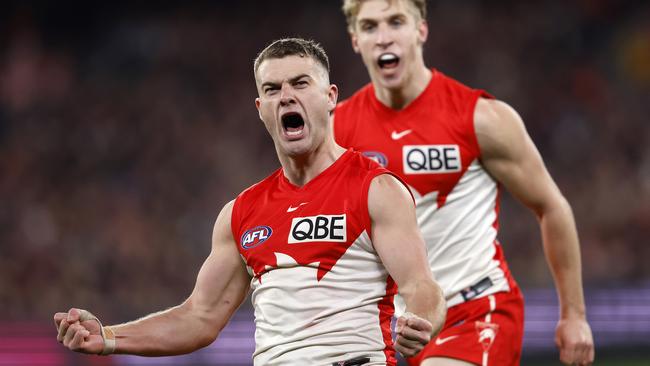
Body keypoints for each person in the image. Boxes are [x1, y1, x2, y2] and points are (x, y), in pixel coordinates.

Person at [53, 38, 446, 366]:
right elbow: (199, 317)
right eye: (272, 90)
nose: (286, 96)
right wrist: (108, 336)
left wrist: (419, 322)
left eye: (300, 84)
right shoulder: (241, 213)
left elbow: (421, 285)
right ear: (262, 110)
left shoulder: (375, 189)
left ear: (330, 98)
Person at [333, 1, 595, 365]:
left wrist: (574, 316)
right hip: (390, 329)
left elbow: (551, 206)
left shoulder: (481, 118)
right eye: (370, 27)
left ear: (421, 30)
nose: (384, 38)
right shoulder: (337, 132)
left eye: (396, 22)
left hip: (474, 312)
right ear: (355, 40)